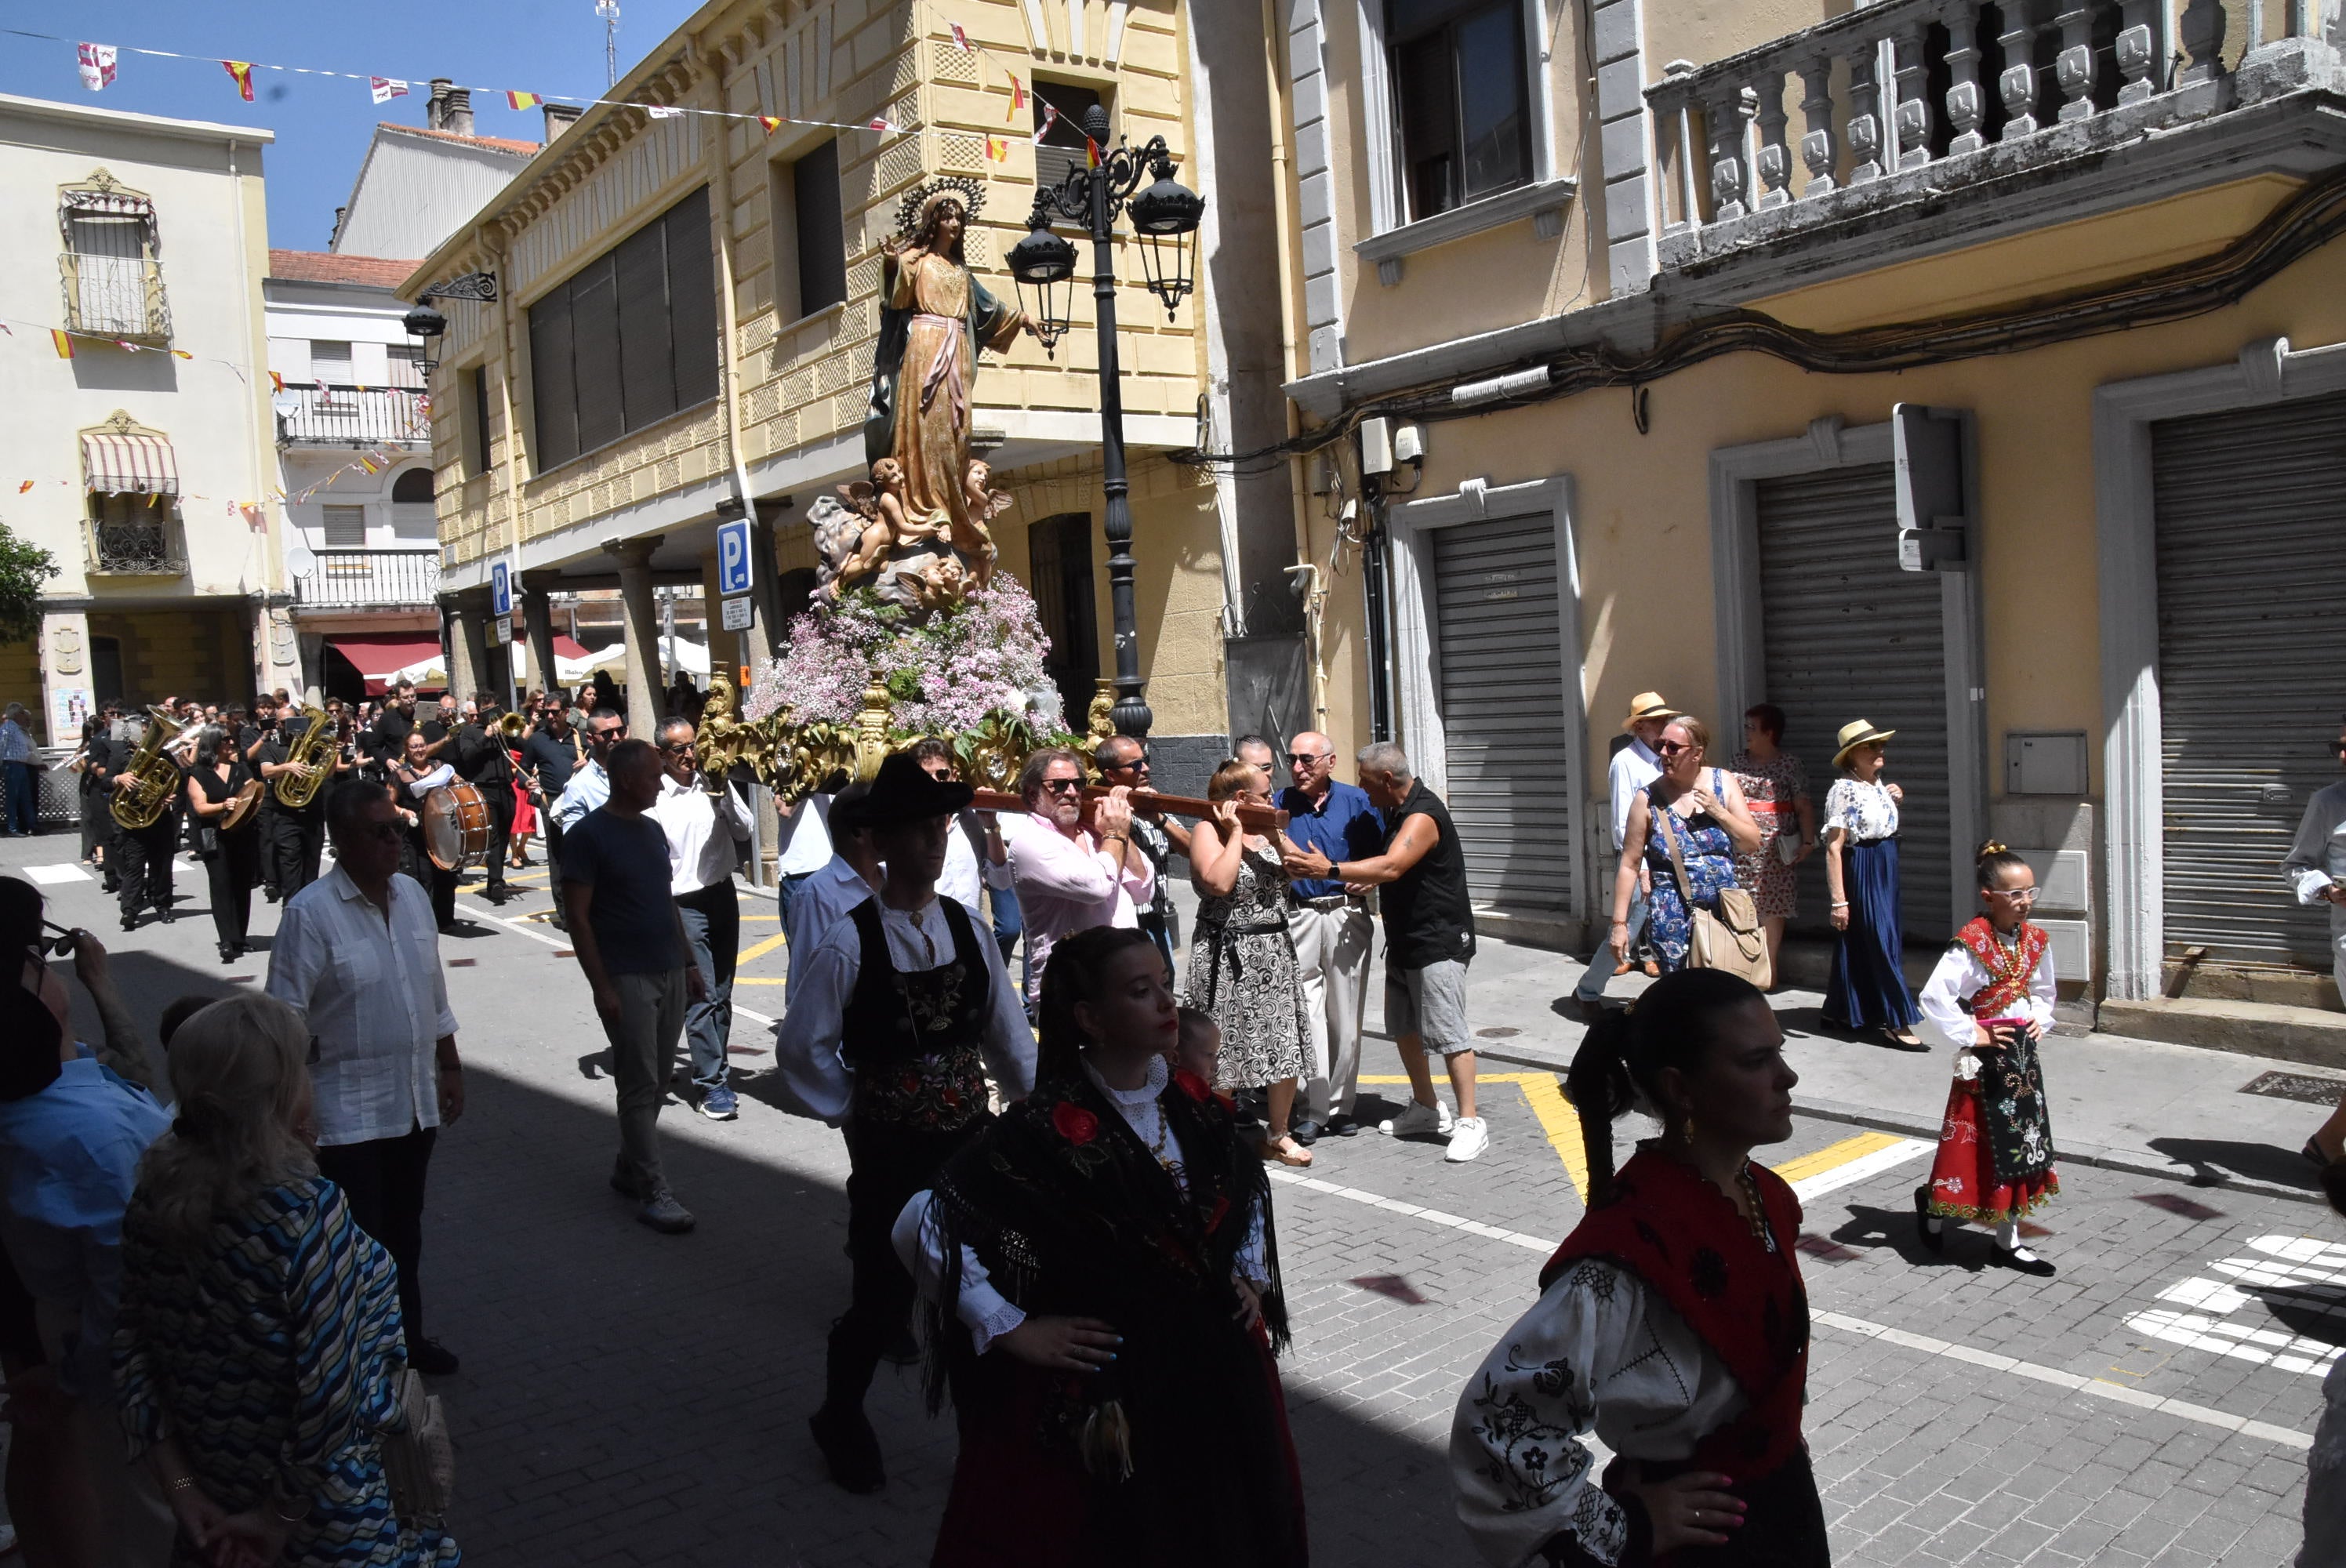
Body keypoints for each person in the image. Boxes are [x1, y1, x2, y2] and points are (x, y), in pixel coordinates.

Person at [893, 925, 1305, 1566]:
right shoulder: (1043, 1127)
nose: (1169, 1005)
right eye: (1142, 992)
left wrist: (1247, 1274)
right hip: (1116, 1393)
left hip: (1214, 1380)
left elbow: (1243, 1185)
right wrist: (1009, 1327)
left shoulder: (1194, 1104)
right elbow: (923, 1222)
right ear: (1091, 1017)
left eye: (1165, 986)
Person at [1453, 969, 1824, 1568]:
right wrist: (1625, 1525)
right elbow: (1497, 1427)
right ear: (1682, 1090)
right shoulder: (1624, 1257)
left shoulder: (1767, 1194)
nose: (1787, 1078)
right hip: (1703, 1542)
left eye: (1778, 1053)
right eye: (1757, 1062)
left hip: (1782, 1512)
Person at [113, 995, 463, 1567]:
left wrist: (184, 1493)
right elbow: (331, 1399)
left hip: (213, 1504)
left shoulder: (153, 1196)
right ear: (275, 1095)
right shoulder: (304, 1213)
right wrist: (277, 1518)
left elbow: (131, 1351)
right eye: (303, 1067)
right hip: (325, 1523)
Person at [774, 753, 1035, 1494]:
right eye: (916, 829)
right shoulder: (849, 938)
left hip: (965, 1143)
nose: (934, 840)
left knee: (975, 1284)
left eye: (938, 825)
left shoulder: (968, 928)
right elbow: (802, 1045)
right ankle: (840, 1415)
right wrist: (850, 1103)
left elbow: (1006, 1032)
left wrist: (1034, 1112)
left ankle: (984, 1434)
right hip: (890, 1151)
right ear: (879, 843)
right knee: (882, 1297)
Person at [267, 779, 467, 1373]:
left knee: (405, 1235)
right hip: (343, 1118)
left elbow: (431, 992)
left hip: (411, 1104)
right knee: (356, 1246)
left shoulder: (410, 895)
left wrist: (450, 1064)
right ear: (342, 841)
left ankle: (406, 1340)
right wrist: (293, 1114)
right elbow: (284, 1021)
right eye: (380, 832)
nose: (394, 841)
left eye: (397, 828)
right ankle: (356, 1361)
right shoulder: (310, 915)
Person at [1, 886, 175, 1567]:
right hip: (104, 1352)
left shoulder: (58, 1083)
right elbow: (122, 1283)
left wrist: (99, 985)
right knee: (142, 1505)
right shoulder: (86, 1139)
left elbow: (125, 1072)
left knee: (54, 1458)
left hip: (67, 1337)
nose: (53, 968)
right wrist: (90, 1377)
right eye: (39, 959)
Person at [1282, 742, 1491, 1161]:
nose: (1362, 790)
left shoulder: (1422, 815)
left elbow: (1393, 865)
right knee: (1405, 1027)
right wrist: (1366, 878)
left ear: (1388, 780)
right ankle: (1427, 1108)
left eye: (1366, 782)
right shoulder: (1394, 811)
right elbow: (1386, 867)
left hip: (1438, 941)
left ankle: (1470, 1122)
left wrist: (1332, 870)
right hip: (1405, 939)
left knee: (1449, 1034)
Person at [562, 739, 705, 1235]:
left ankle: (628, 1167)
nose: (661, 782)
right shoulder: (588, 836)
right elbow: (578, 918)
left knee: (659, 1078)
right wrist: (602, 987)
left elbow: (665, 902)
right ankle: (653, 1188)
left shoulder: (650, 830)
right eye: (651, 776)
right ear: (625, 780)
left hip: (667, 967)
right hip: (626, 974)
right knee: (640, 1083)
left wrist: (688, 961)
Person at [1914, 842, 2059, 1276]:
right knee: (1973, 1145)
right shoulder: (1971, 943)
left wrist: (2039, 1018)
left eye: (2030, 892)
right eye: (2015, 894)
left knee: (2022, 1147)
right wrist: (1970, 1031)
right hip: (1985, 1062)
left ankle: (2007, 1241)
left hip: (2023, 1060)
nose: (2025, 902)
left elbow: (2046, 992)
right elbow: (1933, 996)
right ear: (1989, 896)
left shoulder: (2036, 940)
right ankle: (1934, 1208)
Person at [865, 186, 1033, 551]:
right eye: (947, 216)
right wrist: (893, 263)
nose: (954, 223)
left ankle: (949, 506)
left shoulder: (961, 270)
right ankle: (921, 509)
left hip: (956, 351)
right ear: (932, 221)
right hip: (925, 348)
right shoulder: (915, 260)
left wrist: (1022, 320)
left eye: (958, 217)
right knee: (925, 429)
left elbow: (988, 308)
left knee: (954, 431)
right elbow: (895, 299)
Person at [1187, 760, 1315, 1167]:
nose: (1272, 798)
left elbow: (1302, 871)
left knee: (1283, 1042)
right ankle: (1215, 1135)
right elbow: (1219, 882)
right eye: (1265, 794)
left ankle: (1278, 1133)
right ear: (1240, 799)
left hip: (1274, 951)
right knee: (1222, 1049)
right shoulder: (1208, 829)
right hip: (1228, 956)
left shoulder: (1270, 830)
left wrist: (1275, 835)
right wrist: (1239, 832)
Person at [1279, 729, 1384, 1141]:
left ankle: (1341, 1106)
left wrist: (1369, 881)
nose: (1298, 767)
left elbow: (1381, 855)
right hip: (1299, 916)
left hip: (1345, 917)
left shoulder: (1358, 802)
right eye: (1293, 759)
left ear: (1330, 762)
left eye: (1307, 759)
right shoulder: (1281, 804)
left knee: (1346, 1015)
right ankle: (1313, 1107)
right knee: (1307, 1013)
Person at [651, 715, 752, 1122]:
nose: (690, 754)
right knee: (701, 992)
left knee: (723, 991)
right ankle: (711, 1084)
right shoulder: (656, 799)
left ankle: (715, 1068)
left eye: (693, 745)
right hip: (684, 902)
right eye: (680, 749)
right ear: (662, 754)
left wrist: (723, 792)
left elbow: (744, 832)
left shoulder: (712, 783)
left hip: (722, 893)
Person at [1608, 717, 1763, 978]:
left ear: (1697, 753)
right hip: (1673, 918)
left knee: (1725, 994)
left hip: (1724, 913)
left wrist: (1718, 811)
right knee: (1684, 997)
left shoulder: (1722, 783)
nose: (1664, 754)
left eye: (1673, 747)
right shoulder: (1647, 799)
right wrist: (1619, 924)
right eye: (1660, 746)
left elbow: (1752, 842)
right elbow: (1629, 863)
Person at [1005, 747, 1153, 1011]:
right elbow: (1098, 886)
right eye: (1059, 786)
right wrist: (1114, 833)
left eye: (1078, 784)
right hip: (1071, 988)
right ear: (1032, 793)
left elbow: (1144, 888)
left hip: (1124, 976)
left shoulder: (1097, 832)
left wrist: (1118, 832)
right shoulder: (1029, 843)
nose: (1072, 793)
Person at [1822, 719, 1924, 1048]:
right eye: (1870, 747)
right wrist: (1839, 901)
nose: (1879, 751)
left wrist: (1896, 794)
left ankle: (1843, 1009)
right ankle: (1898, 1020)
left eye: (1881, 745)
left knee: (1869, 940)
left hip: (1886, 863)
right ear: (1852, 755)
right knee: (1881, 940)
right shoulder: (1843, 790)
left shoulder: (1877, 784)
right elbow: (1834, 848)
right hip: (1863, 866)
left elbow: (1880, 818)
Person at [1574, 691, 1678, 1009]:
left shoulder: (1667, 758)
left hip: (1670, 855)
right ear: (1640, 727)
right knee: (1627, 929)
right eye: (1657, 721)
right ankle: (1588, 991)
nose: (1664, 726)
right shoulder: (1626, 762)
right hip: (1640, 860)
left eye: (1666, 719)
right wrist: (1643, 867)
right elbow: (1622, 822)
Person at [2285, 717, 2346, 1167]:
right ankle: (2326, 1142)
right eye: (2338, 747)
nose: (2342, 756)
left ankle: (2326, 1142)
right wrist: (2328, 889)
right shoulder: (2328, 802)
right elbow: (2297, 864)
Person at [1730, 703, 1816, 978]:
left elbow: (1803, 805)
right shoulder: (1737, 763)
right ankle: (1743, 966)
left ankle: (1768, 969)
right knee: (1744, 903)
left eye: (1751, 728)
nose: (1746, 733)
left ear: (1770, 732)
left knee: (1773, 907)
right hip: (1742, 847)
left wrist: (1808, 841)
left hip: (1776, 851)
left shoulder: (1790, 764)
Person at [1095, 735, 1189, 985]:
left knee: (1164, 988)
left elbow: (1191, 849)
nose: (1145, 768)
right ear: (1112, 776)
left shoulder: (1152, 803)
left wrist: (1159, 817)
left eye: (1145, 761)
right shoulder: (1100, 813)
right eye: (1136, 765)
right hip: (1122, 926)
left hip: (1155, 920)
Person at [184, 724, 265, 964]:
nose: (231, 743)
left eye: (231, 739)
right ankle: (227, 941)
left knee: (242, 886)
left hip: (242, 834)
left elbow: (254, 792)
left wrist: (247, 805)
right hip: (215, 836)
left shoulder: (239, 768)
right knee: (221, 887)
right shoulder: (198, 773)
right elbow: (200, 808)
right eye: (226, 740)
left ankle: (240, 937)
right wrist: (223, 806)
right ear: (213, 744)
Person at [912, 737, 1012, 922]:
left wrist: (990, 823)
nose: (935, 783)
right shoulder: (904, 827)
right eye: (926, 777)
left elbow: (1001, 880)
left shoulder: (971, 819)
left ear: (954, 776)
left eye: (942, 775)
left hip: (969, 932)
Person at [782, 780, 882, 959]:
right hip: (802, 869)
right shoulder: (815, 895)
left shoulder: (892, 880)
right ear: (859, 831)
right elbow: (808, 977)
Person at [254, 702, 340, 902]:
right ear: (277, 724)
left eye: (296, 721)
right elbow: (266, 771)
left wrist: (334, 754)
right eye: (285, 723)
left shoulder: (314, 745)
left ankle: (310, 910)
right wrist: (288, 767)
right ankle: (290, 907)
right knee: (289, 863)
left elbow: (329, 773)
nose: (291, 727)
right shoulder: (270, 747)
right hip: (285, 815)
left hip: (312, 812)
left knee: (312, 865)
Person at [108, 706, 181, 932]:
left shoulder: (164, 755)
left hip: (159, 817)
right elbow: (104, 780)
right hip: (134, 820)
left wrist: (169, 797)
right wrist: (119, 778)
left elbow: (178, 778)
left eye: (145, 730)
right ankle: (129, 909)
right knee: (134, 865)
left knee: (162, 865)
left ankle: (163, 905)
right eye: (139, 731)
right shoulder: (121, 756)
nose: (142, 736)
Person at [390, 729, 461, 935]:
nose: (419, 750)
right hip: (415, 833)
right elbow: (389, 802)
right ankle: (425, 921)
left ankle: (446, 919)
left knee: (446, 875)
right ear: (407, 750)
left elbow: (458, 785)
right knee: (424, 877)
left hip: (443, 831)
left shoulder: (440, 767)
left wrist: (457, 782)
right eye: (414, 746)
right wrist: (404, 811)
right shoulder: (400, 774)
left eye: (422, 745)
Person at [523, 696, 584, 930]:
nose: (549, 716)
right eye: (546, 712)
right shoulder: (537, 740)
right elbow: (523, 769)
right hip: (551, 806)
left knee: (583, 859)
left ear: (566, 712)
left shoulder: (580, 737)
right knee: (558, 860)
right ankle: (566, 915)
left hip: (579, 807)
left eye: (555, 712)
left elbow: (601, 764)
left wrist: (589, 765)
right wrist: (526, 781)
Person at [451, 691, 517, 903]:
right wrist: (486, 735)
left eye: (494, 709)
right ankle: (495, 881)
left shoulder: (503, 730)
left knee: (505, 835)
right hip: (484, 789)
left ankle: (497, 878)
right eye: (486, 710)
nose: (491, 714)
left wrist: (511, 727)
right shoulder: (470, 731)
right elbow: (467, 756)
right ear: (479, 712)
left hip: (506, 787)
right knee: (494, 836)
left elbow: (524, 746)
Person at [0, 701, 36, 836]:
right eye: (21, 712)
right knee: (13, 797)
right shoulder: (7, 728)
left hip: (21, 765)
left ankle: (31, 825)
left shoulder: (18, 728)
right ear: (15, 714)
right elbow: (1, 747)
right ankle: (12, 828)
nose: (24, 715)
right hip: (12, 765)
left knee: (26, 797)